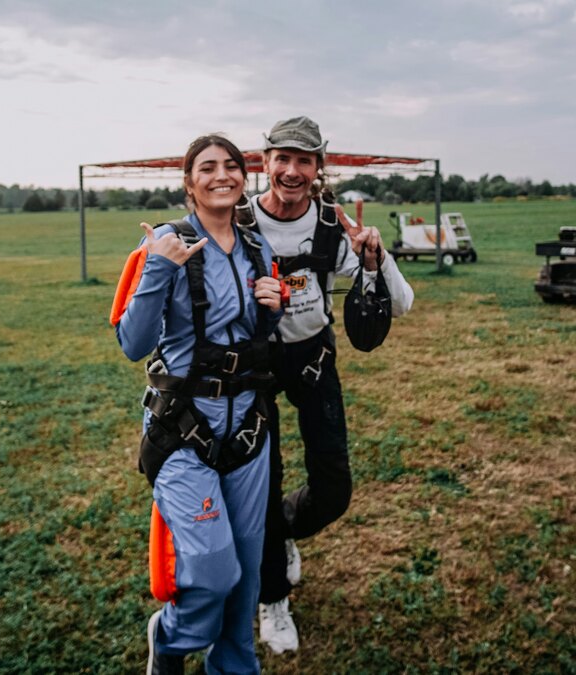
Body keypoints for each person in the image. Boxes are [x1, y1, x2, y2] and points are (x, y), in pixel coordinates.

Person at [240, 116, 415, 653]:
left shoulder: (334, 227)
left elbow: (403, 303)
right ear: (264, 162)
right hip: (251, 369)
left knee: (334, 488)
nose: (292, 172)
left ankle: (288, 529)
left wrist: (373, 254)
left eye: (304, 161)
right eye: (282, 159)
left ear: (319, 168)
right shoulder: (237, 220)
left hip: (313, 359)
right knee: (260, 493)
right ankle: (273, 600)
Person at [113, 134, 284, 675]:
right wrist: (159, 267)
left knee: (247, 572)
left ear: (243, 178)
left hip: (249, 429)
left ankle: (234, 665)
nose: (221, 176)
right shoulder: (164, 243)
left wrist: (273, 310)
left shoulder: (259, 249)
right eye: (206, 168)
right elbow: (133, 344)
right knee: (213, 572)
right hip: (182, 428)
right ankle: (170, 642)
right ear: (189, 183)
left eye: (231, 166)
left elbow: (257, 337)